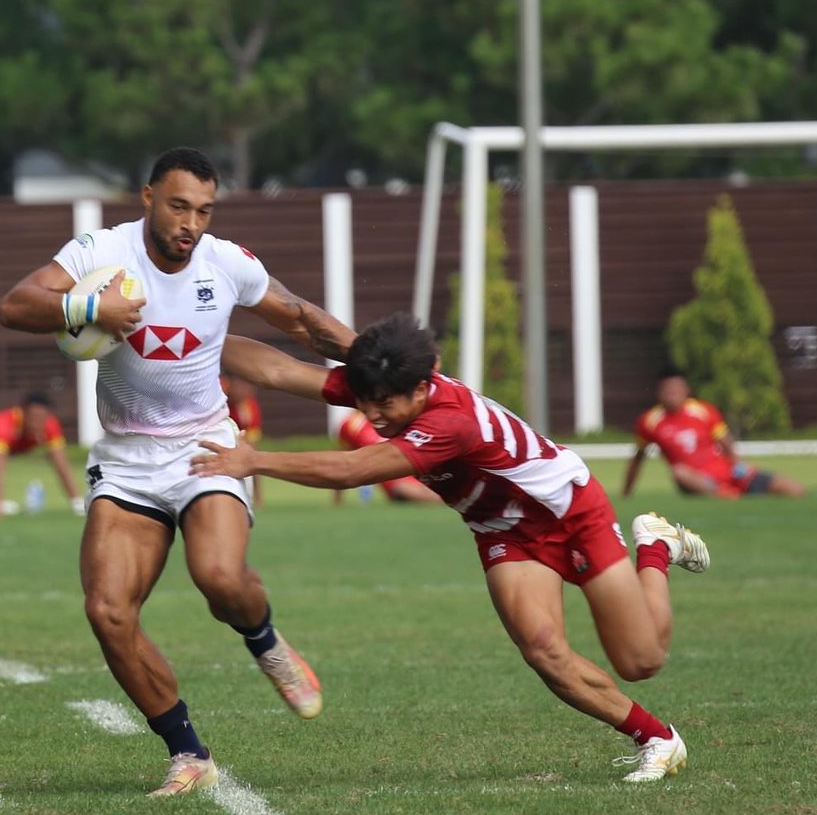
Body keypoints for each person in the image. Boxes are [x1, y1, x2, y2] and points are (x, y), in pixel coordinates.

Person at [198, 317, 711, 784]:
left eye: (386, 404)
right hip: (500, 528)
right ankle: (658, 739)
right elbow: (279, 371)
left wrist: (254, 460)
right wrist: (193, 333)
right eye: (366, 399)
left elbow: (353, 469)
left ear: (422, 388)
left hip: (570, 514)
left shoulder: (450, 422)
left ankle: (655, 547)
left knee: (641, 660)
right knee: (543, 650)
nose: (374, 414)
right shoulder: (384, 384)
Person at [0, 145, 355, 796]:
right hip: (127, 459)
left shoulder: (226, 263)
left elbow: (301, 319)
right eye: (179, 206)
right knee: (108, 611)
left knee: (219, 577)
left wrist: (377, 364)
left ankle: (266, 641)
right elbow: (17, 304)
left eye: (204, 210)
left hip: (204, 445)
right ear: (148, 198)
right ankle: (187, 752)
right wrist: (87, 310)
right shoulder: (102, 253)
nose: (191, 223)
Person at [624, 370, 804, 499]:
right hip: (698, 481)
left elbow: (725, 442)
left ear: (686, 390)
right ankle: (726, 496)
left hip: (726, 470)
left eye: (677, 389)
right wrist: (627, 491)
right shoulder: (650, 421)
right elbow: (638, 458)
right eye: (668, 390)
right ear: (659, 393)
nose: (673, 394)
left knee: (793, 490)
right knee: (679, 472)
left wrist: (738, 466)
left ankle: (738, 491)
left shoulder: (703, 410)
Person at [0, 394, 84, 516]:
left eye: (42, 418)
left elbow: (61, 465)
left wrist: (77, 503)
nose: (37, 424)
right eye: (33, 417)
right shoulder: (2, 426)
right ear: (22, 413)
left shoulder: (50, 426)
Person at [334, 409, 440, 504]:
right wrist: (338, 500)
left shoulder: (393, 415)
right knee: (416, 493)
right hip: (394, 480)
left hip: (414, 469)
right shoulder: (351, 424)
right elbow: (343, 462)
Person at [221, 372, 264, 509]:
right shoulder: (218, 392)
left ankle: (256, 497)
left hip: (239, 435)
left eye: (248, 388)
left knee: (253, 457)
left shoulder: (249, 406)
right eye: (240, 387)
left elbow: (251, 438)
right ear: (230, 384)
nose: (243, 391)